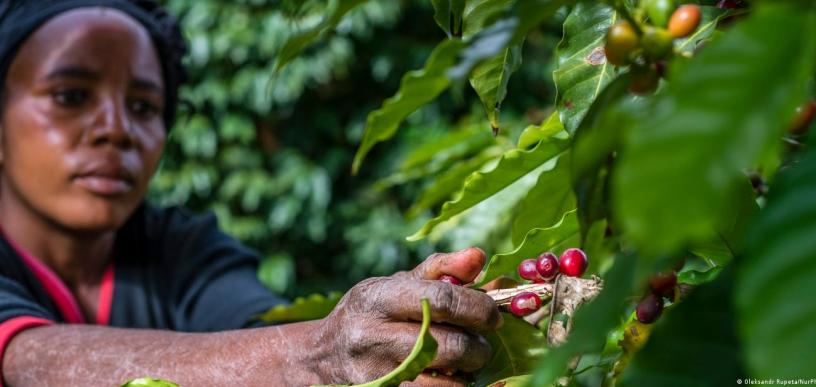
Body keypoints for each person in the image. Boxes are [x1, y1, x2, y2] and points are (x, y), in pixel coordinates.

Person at [0, 1, 501, 385]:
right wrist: (322, 354)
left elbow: (259, 339)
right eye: (70, 97)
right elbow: (28, 362)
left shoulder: (184, 249)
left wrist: (402, 345)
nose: (117, 129)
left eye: (144, 106)